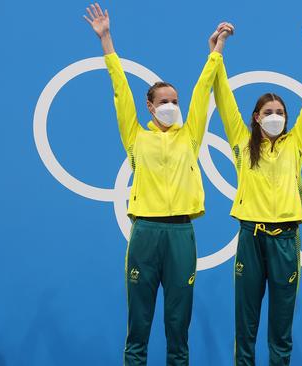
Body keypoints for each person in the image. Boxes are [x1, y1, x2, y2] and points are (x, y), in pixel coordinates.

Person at [83, 3, 226, 365]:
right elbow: (120, 92)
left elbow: (204, 89)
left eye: (175, 101)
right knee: (139, 327)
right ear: (149, 106)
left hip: (181, 235)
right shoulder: (135, 137)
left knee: (178, 329)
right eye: (164, 102)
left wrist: (215, 52)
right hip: (145, 233)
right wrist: (106, 41)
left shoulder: (190, 136)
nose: (172, 106)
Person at [209, 23, 302, 365]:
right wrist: (217, 50)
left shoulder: (296, 143)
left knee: (281, 326)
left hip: (286, 240)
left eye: (280, 113)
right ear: (256, 118)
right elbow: (223, 97)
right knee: (245, 325)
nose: (275, 117)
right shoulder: (241, 143)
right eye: (268, 112)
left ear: (288, 119)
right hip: (250, 236)